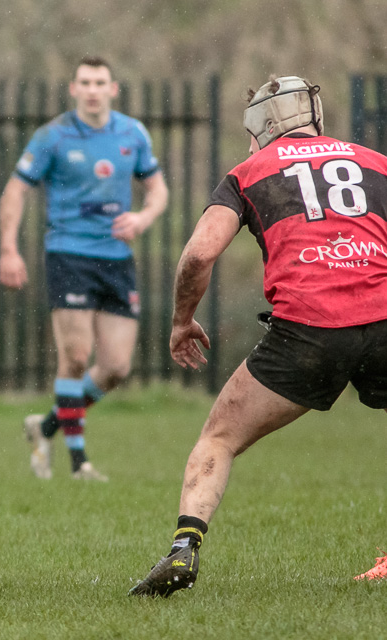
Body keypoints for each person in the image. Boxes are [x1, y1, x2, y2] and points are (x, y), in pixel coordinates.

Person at [130, 75, 387, 597]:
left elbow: (200, 253)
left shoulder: (249, 172)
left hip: (308, 331)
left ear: (263, 124)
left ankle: (183, 550)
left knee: (219, 438)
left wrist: (182, 321)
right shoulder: (376, 162)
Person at [0, 55, 169, 481]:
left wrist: (143, 219)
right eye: (85, 82)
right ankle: (80, 464)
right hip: (68, 253)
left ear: (113, 89)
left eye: (100, 82)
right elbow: (15, 191)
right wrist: (8, 249)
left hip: (117, 260)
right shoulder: (52, 137)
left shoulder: (133, 133)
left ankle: (46, 426)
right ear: (73, 89)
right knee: (75, 357)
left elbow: (158, 189)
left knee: (115, 368)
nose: (93, 89)